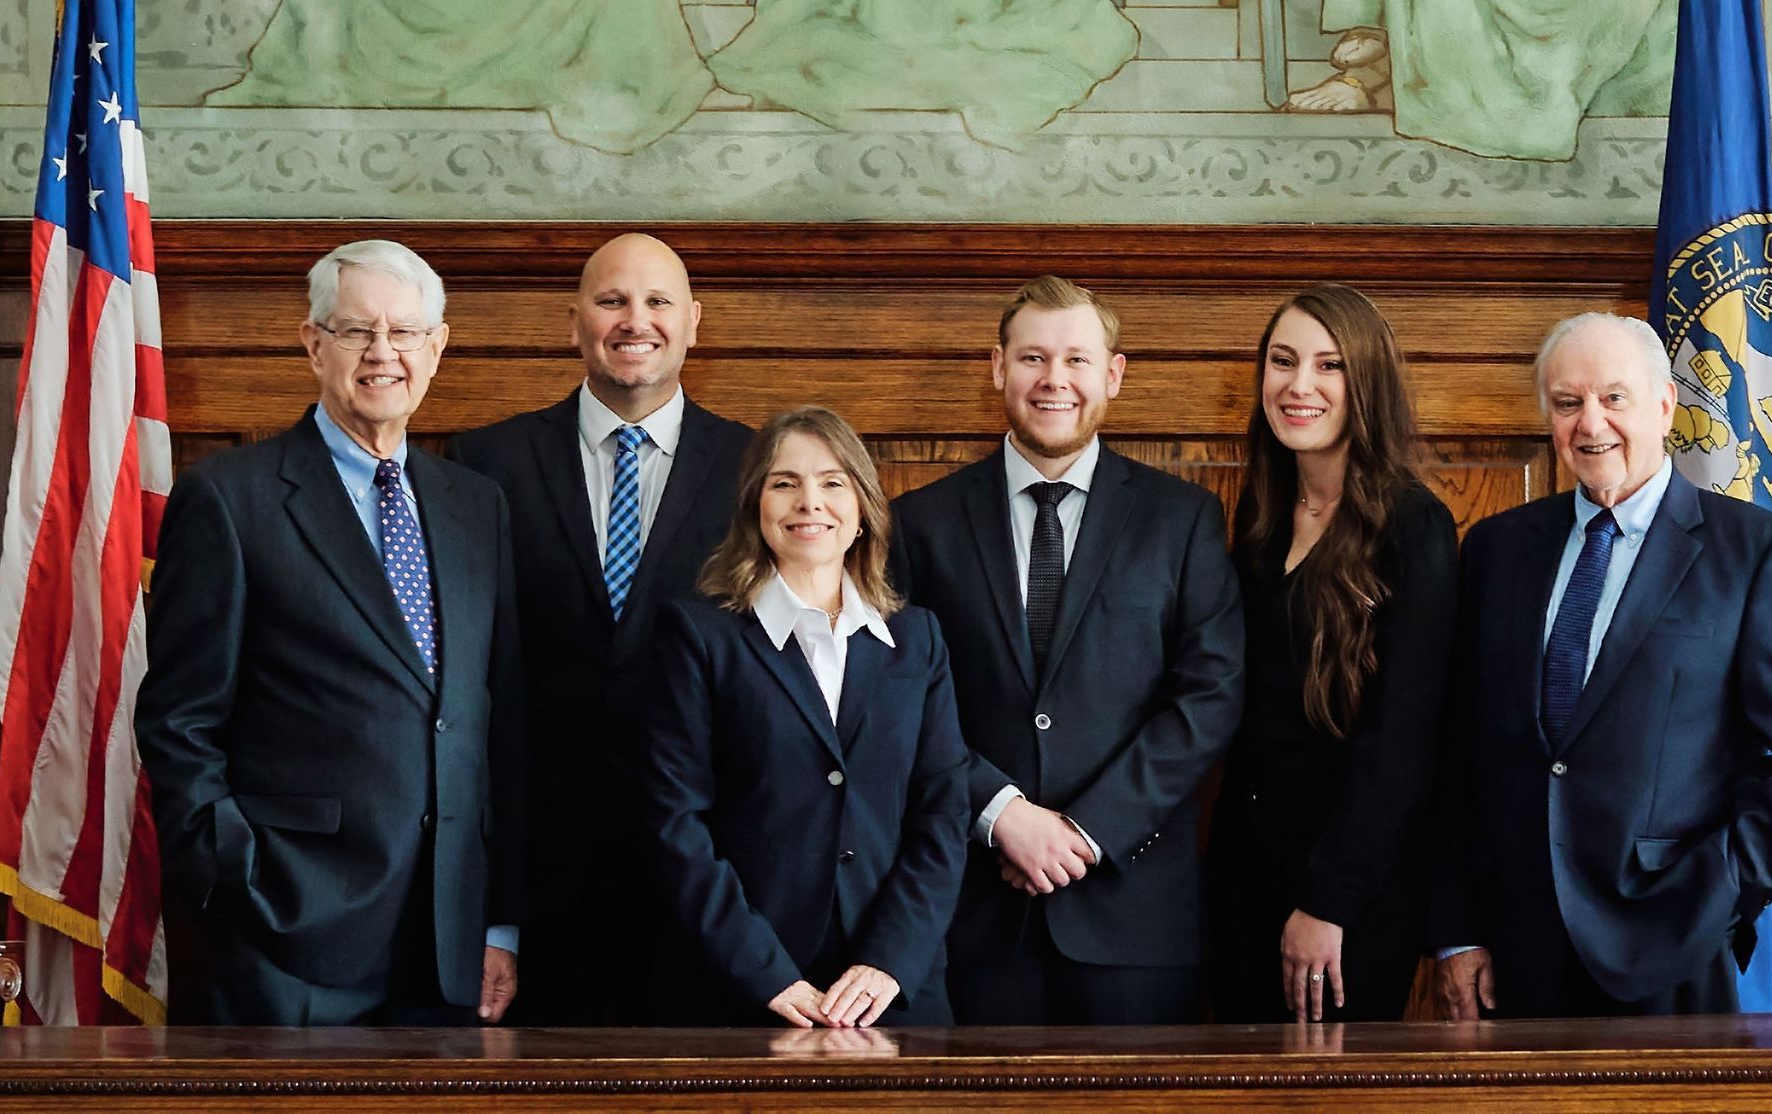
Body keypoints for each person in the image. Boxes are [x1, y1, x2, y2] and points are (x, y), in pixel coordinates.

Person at [135, 240, 526, 1025]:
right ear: (314, 344)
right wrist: (235, 880)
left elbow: (499, 720)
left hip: (452, 943)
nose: (383, 354)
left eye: (405, 334)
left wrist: (499, 921)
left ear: (437, 347)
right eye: (355, 332)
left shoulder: (476, 505)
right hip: (287, 940)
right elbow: (179, 722)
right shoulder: (229, 499)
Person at [1430, 312, 1772, 1019]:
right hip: (1514, 954)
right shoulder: (1496, 550)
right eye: (1568, 403)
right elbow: (1459, 754)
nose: (1590, 423)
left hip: (1672, 950)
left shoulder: (1751, 551)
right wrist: (1457, 934)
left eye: (1614, 398)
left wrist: (1722, 893)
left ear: (1665, 406)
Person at [890, 276, 1245, 1025]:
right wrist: (1001, 813)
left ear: (1112, 374)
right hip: (969, 916)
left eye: (1077, 360)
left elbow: (1208, 698)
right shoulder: (919, 524)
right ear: (998, 368)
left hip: (1135, 920)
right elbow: (899, 702)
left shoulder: (1182, 519)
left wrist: (1084, 833)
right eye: (1033, 359)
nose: (1055, 381)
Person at [449, 232, 752, 1025]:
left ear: (694, 323)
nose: (634, 320)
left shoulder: (762, 472)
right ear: (575, 321)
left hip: (714, 881)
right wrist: (494, 911)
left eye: (657, 302)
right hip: (536, 884)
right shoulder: (483, 467)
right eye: (612, 300)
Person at [642, 407, 969, 1027]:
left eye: (832, 482)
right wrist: (765, 971)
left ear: (864, 507)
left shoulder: (917, 639)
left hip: (894, 994)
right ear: (754, 506)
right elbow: (674, 821)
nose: (808, 502)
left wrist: (889, 963)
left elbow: (943, 815)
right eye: (784, 483)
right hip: (745, 989)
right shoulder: (699, 635)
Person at [1206, 284, 1457, 1023]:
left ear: (1366, 383)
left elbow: (1402, 743)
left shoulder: (1416, 526)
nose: (1299, 385)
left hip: (1348, 895)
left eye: (1329, 365)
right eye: (1283, 361)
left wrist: (1328, 902)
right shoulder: (1259, 516)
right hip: (1244, 875)